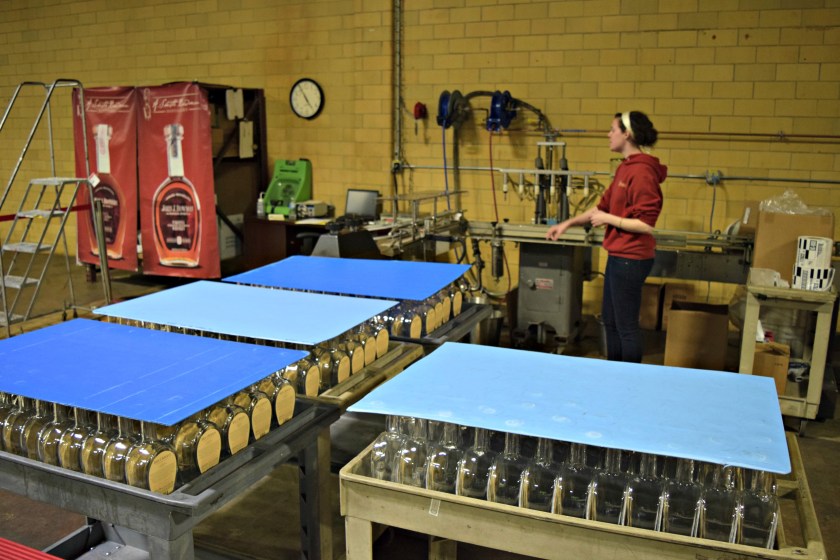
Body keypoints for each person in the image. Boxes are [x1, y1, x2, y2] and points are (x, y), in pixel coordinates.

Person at [546, 111, 667, 363]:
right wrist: (566, 224)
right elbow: (601, 208)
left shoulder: (642, 172)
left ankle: (629, 376)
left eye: (613, 130)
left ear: (627, 134)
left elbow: (646, 224)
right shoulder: (625, 168)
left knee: (626, 326)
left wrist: (609, 219)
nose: (608, 134)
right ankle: (612, 373)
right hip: (618, 254)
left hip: (632, 259)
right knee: (610, 322)